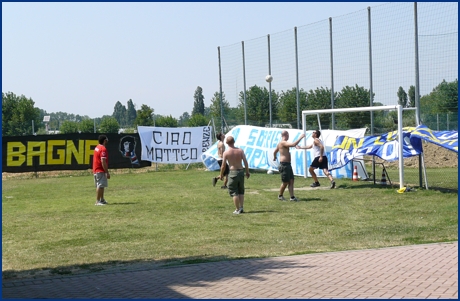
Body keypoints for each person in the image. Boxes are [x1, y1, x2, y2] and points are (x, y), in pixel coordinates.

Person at [219, 135, 250, 214]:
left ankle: (237, 209)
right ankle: (241, 207)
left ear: (226, 143)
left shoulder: (226, 152)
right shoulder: (240, 150)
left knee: (234, 192)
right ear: (234, 142)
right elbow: (245, 162)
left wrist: (221, 174)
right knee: (241, 191)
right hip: (240, 171)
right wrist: (247, 171)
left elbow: (223, 165)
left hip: (233, 172)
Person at [273, 130, 305, 202]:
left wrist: (274, 157)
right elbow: (293, 144)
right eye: (288, 135)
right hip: (284, 165)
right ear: (286, 135)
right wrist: (300, 137)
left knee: (291, 181)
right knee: (285, 182)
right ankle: (280, 196)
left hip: (288, 165)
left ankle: (292, 197)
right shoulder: (283, 142)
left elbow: (275, 151)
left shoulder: (280, 143)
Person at [93, 134, 110, 205]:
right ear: (104, 141)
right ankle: (97, 201)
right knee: (100, 185)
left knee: (101, 185)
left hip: (96, 169)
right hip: (100, 170)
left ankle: (102, 199)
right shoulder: (103, 149)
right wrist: (107, 172)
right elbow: (103, 161)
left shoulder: (97, 147)